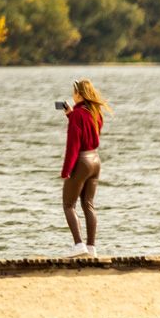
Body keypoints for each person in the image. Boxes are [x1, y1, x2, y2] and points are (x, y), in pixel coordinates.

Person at [60, 79, 110, 258]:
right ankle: (91, 247)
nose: (73, 95)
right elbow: (89, 133)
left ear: (79, 94)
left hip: (81, 161)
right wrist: (70, 115)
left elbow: (73, 145)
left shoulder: (77, 115)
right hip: (95, 159)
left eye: (74, 92)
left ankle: (78, 244)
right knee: (88, 204)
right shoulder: (96, 113)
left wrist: (66, 171)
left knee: (68, 204)